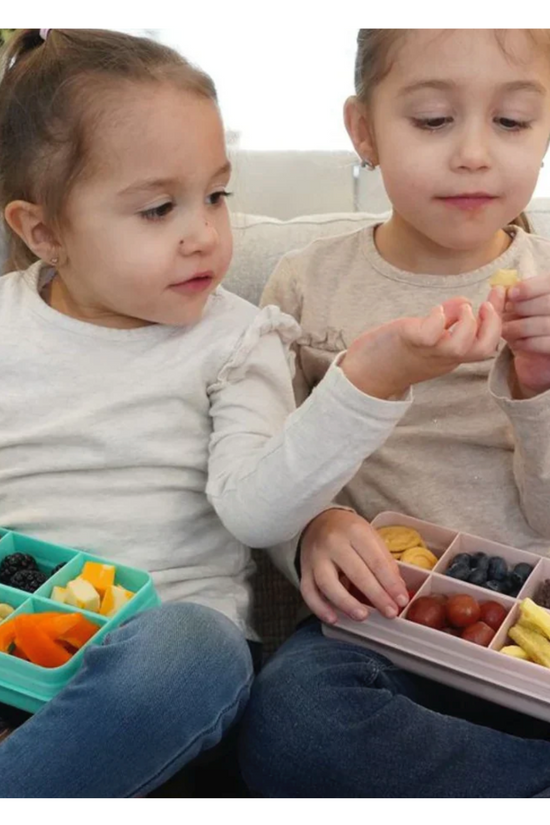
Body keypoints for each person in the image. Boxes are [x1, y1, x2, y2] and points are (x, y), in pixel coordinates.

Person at [0, 29, 496, 797]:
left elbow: (259, 507)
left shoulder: (238, 338)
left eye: (217, 195)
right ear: (43, 232)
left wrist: (368, 379)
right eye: (161, 208)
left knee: (201, 647)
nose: (204, 233)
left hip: (160, 684)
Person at [239, 28, 550, 798]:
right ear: (364, 131)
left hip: (537, 622)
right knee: (293, 721)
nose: (475, 153)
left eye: (512, 122)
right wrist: (314, 526)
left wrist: (540, 386)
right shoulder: (304, 284)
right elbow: (262, 465)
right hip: (385, 629)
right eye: (434, 120)